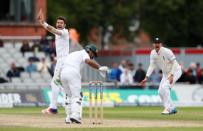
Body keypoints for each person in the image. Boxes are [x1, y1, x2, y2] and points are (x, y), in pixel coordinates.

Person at [60, 44, 108, 124]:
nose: (93, 56)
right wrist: (99, 68)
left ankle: (68, 117)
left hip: (63, 73)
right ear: (89, 50)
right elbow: (88, 61)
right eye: (93, 54)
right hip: (72, 72)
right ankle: (75, 115)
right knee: (77, 95)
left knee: (69, 96)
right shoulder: (84, 53)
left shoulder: (73, 54)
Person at [37, 9, 70, 114]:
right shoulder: (58, 33)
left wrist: (43, 23)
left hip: (63, 61)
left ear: (64, 25)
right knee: (61, 85)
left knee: (55, 83)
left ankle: (53, 108)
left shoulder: (64, 32)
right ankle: (68, 106)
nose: (59, 24)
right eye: (58, 22)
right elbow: (53, 30)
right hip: (62, 60)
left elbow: (53, 30)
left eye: (61, 23)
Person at [140, 37, 182, 115]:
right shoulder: (152, 53)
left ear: (161, 44)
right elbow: (152, 65)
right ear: (153, 44)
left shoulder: (167, 51)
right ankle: (170, 108)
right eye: (156, 43)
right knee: (160, 92)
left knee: (165, 86)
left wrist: (172, 75)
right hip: (166, 74)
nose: (157, 45)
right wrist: (146, 77)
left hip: (175, 71)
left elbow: (175, 63)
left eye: (158, 43)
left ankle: (169, 108)